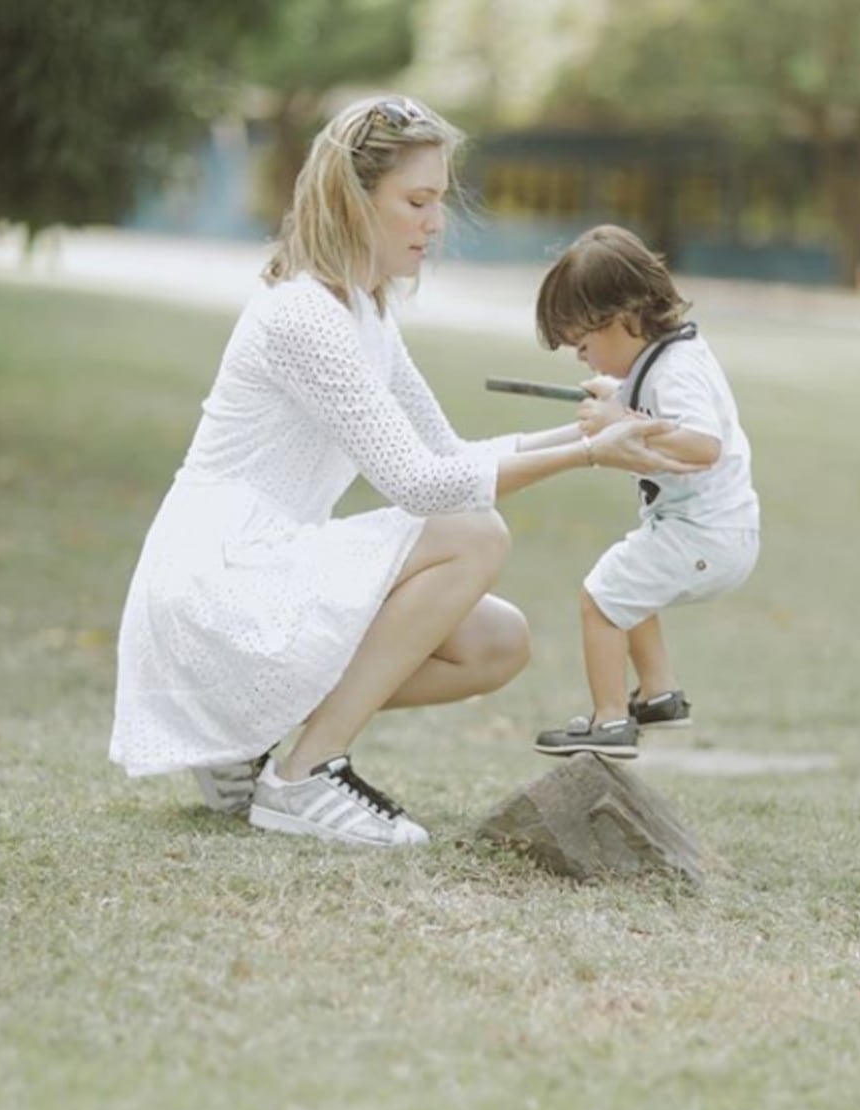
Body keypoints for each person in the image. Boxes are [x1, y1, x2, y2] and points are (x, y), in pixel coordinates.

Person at [109, 98, 683, 847]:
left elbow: (447, 454)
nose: (435, 222)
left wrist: (592, 429)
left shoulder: (365, 310)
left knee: (497, 641)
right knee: (475, 535)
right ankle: (303, 775)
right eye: (417, 201)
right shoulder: (304, 314)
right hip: (215, 582)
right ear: (353, 199)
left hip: (261, 571)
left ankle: (245, 745)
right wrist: (589, 454)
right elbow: (421, 488)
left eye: (438, 201)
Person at [532, 224, 760, 759]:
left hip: (705, 535)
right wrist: (618, 395)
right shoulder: (666, 357)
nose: (583, 359)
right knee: (628, 587)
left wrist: (619, 419)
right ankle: (658, 695)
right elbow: (658, 408)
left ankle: (610, 721)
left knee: (601, 599)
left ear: (621, 318)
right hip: (712, 533)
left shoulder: (675, 370)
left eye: (584, 346)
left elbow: (704, 444)